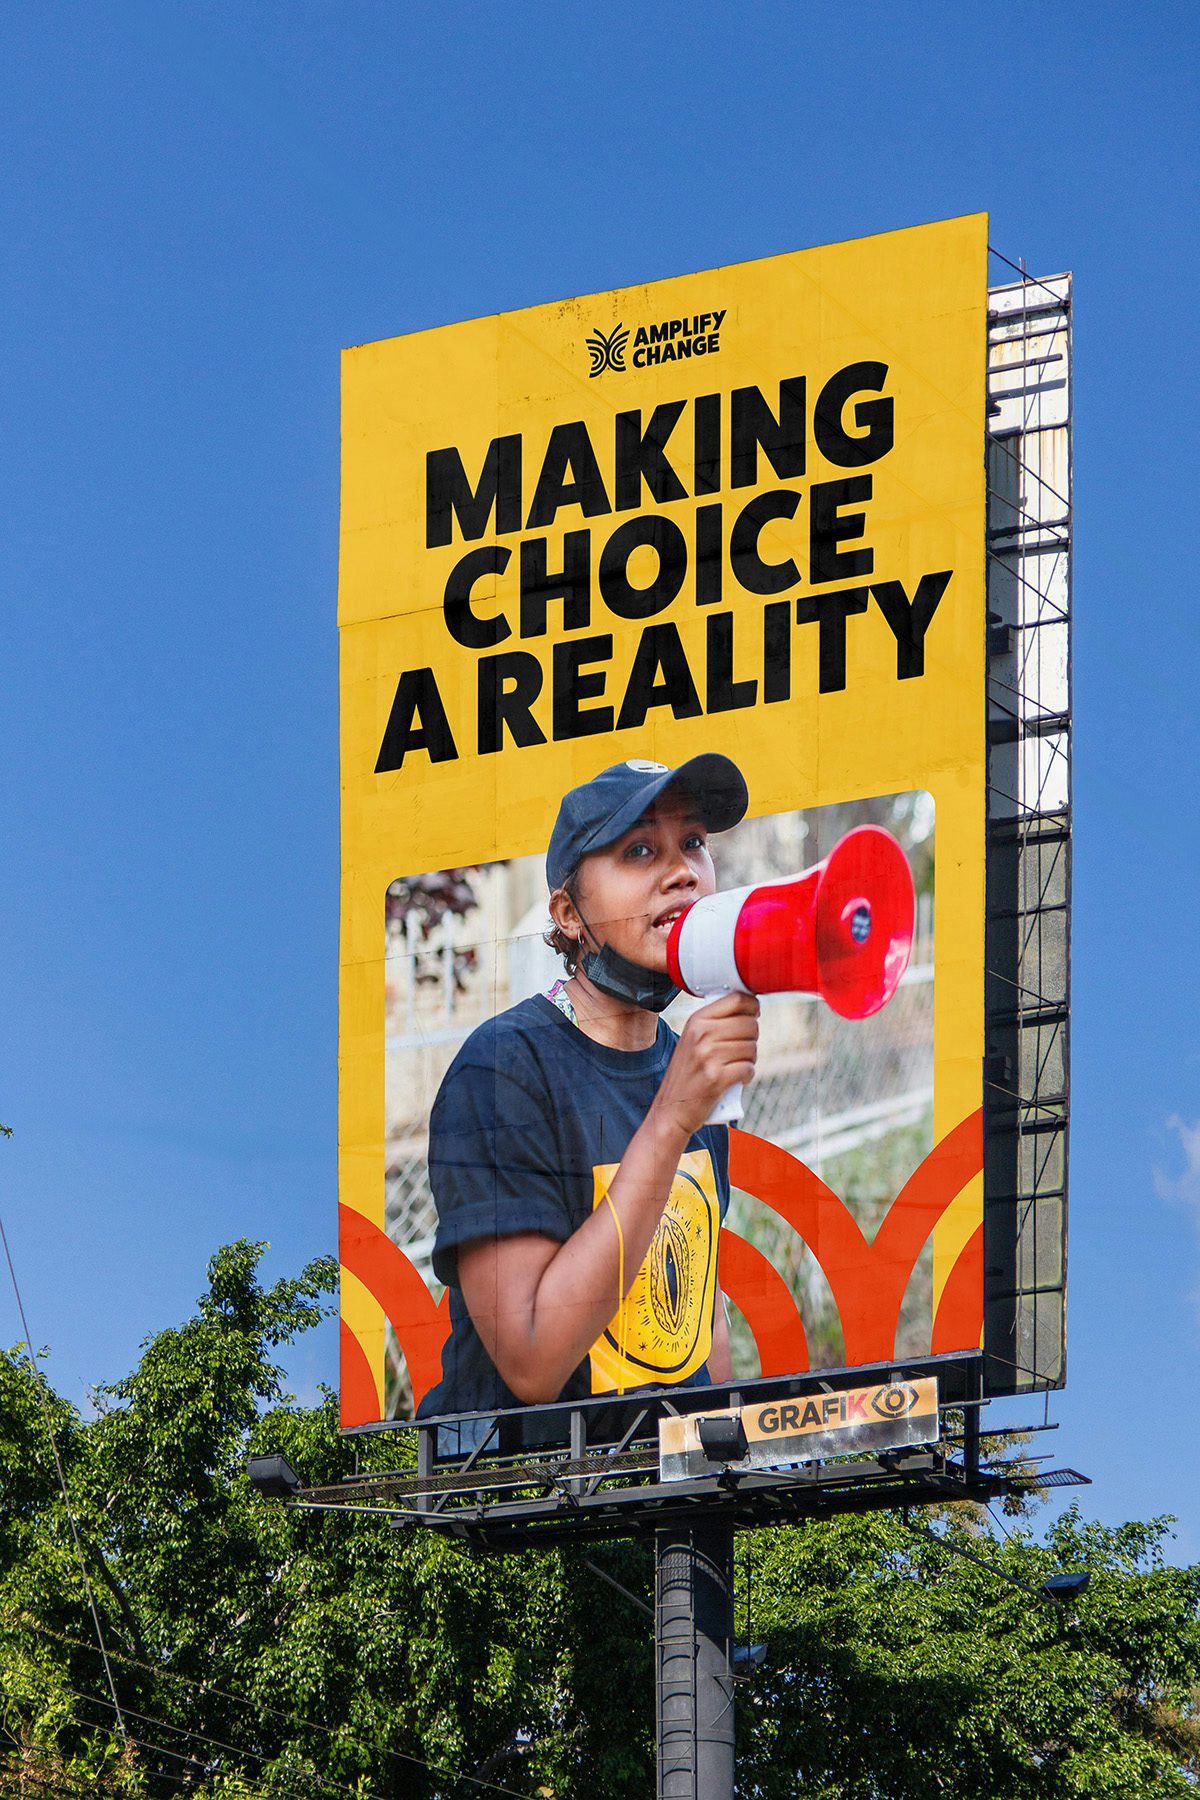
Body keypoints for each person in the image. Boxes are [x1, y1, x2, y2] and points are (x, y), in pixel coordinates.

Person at [415, 755, 760, 1429]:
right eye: (639, 850)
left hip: (665, 1506)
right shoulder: (502, 1070)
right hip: (531, 1511)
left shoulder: (684, 1068)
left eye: (693, 843)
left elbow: (701, 1322)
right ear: (569, 915)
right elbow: (534, 1361)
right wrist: (670, 1121)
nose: (683, 870)